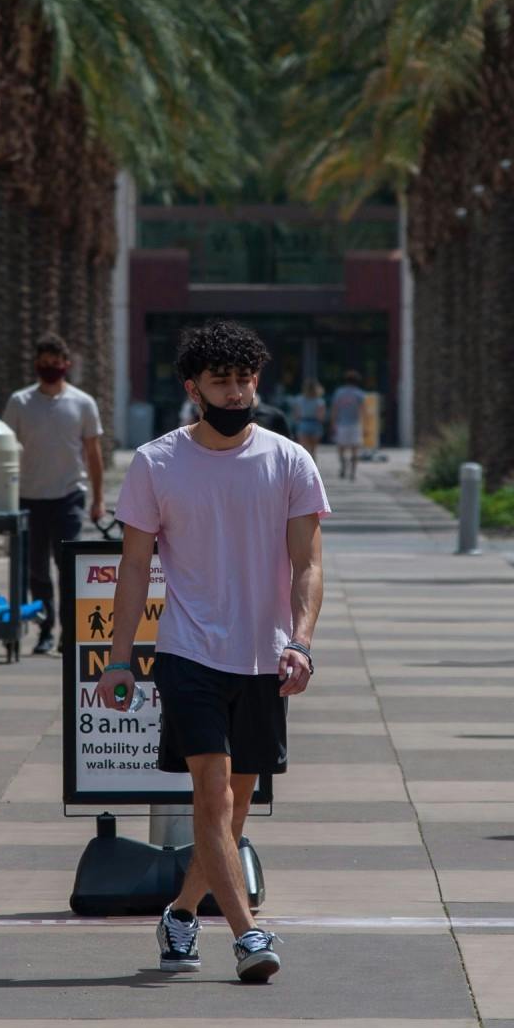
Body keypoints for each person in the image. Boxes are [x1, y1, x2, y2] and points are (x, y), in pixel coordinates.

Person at [98, 320, 329, 983]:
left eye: (245, 380)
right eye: (221, 381)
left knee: (235, 800)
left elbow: (307, 562)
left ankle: (180, 910)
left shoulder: (290, 461)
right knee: (211, 793)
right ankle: (248, 933)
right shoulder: (157, 462)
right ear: (193, 386)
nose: (235, 393)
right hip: (189, 653)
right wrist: (119, 658)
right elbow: (135, 566)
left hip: (265, 657)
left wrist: (302, 642)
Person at [2, 335, 105, 655]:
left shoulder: (83, 403)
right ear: (36, 365)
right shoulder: (19, 402)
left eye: (55, 364)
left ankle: (69, 633)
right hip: (29, 498)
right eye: (43, 364)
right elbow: (4, 449)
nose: (49, 369)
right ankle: (45, 630)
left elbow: (93, 452)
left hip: (68, 496)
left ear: (66, 366)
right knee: (37, 571)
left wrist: (98, 500)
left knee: (68, 567)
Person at [328, 370, 368, 481]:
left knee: (341, 448)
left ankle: (343, 465)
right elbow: (364, 411)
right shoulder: (360, 394)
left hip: (342, 424)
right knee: (355, 449)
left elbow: (334, 409)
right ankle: (353, 472)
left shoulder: (339, 393)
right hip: (355, 425)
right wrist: (365, 427)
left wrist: (332, 424)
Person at [293, 378, 325, 461]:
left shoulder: (299, 399)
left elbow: (297, 414)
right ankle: (313, 467)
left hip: (304, 423)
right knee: (313, 450)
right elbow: (320, 417)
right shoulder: (319, 401)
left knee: (304, 450)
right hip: (315, 424)